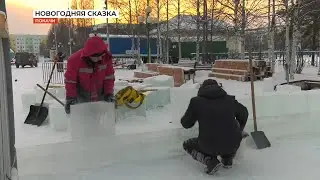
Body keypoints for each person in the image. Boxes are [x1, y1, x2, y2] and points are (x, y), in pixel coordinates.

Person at [181, 79, 248, 175]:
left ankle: (210, 161)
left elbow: (186, 124)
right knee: (230, 138)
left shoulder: (196, 102)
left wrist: (196, 114)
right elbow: (244, 113)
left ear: (202, 89)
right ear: (219, 88)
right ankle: (227, 159)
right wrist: (239, 128)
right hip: (234, 143)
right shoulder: (229, 100)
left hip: (209, 145)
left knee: (187, 144)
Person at [64, 35, 115, 114]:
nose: (100, 59)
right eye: (97, 57)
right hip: (82, 95)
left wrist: (109, 93)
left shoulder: (106, 58)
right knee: (84, 119)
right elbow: (70, 81)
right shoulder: (74, 60)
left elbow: (109, 78)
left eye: (102, 56)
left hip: (100, 94)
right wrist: (70, 98)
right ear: (89, 55)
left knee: (99, 118)